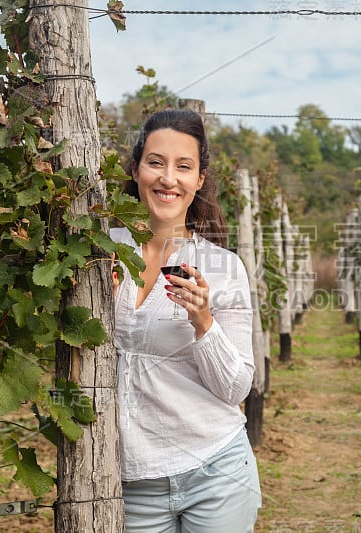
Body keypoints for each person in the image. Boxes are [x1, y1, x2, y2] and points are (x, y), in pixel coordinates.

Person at [110, 109, 261, 532]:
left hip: (216, 470)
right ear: (137, 168)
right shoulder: (98, 249)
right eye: (156, 162)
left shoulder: (222, 267)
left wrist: (203, 322)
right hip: (131, 480)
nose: (167, 178)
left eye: (184, 167)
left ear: (199, 180)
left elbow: (235, 388)